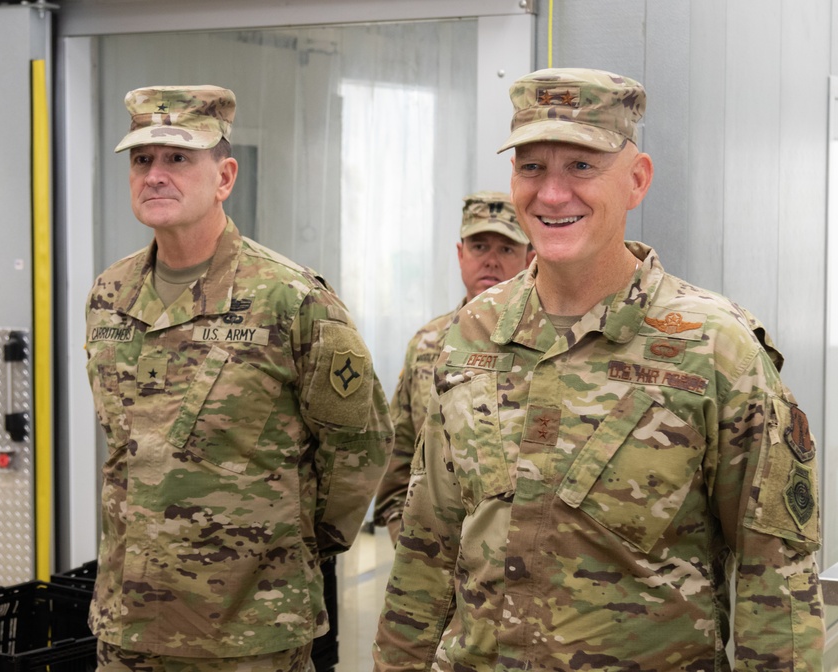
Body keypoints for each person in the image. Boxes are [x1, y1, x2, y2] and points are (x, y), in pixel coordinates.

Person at [373, 68, 824, 670]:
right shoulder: (470, 334)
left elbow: (778, 578)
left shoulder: (716, 349)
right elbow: (428, 545)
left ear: (637, 181)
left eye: (582, 166)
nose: (553, 194)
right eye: (532, 167)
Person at [85, 84, 393, 672]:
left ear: (224, 177)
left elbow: (359, 449)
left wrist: (296, 546)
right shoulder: (110, 294)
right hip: (129, 622)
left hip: (252, 629)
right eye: (142, 159)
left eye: (178, 158)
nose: (155, 175)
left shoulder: (291, 298)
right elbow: (126, 450)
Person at [372, 191, 533, 545]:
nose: (491, 261)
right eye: (479, 247)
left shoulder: (547, 347)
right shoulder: (427, 343)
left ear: (529, 258)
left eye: (506, 249)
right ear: (460, 255)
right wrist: (412, 542)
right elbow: (396, 461)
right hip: (433, 562)